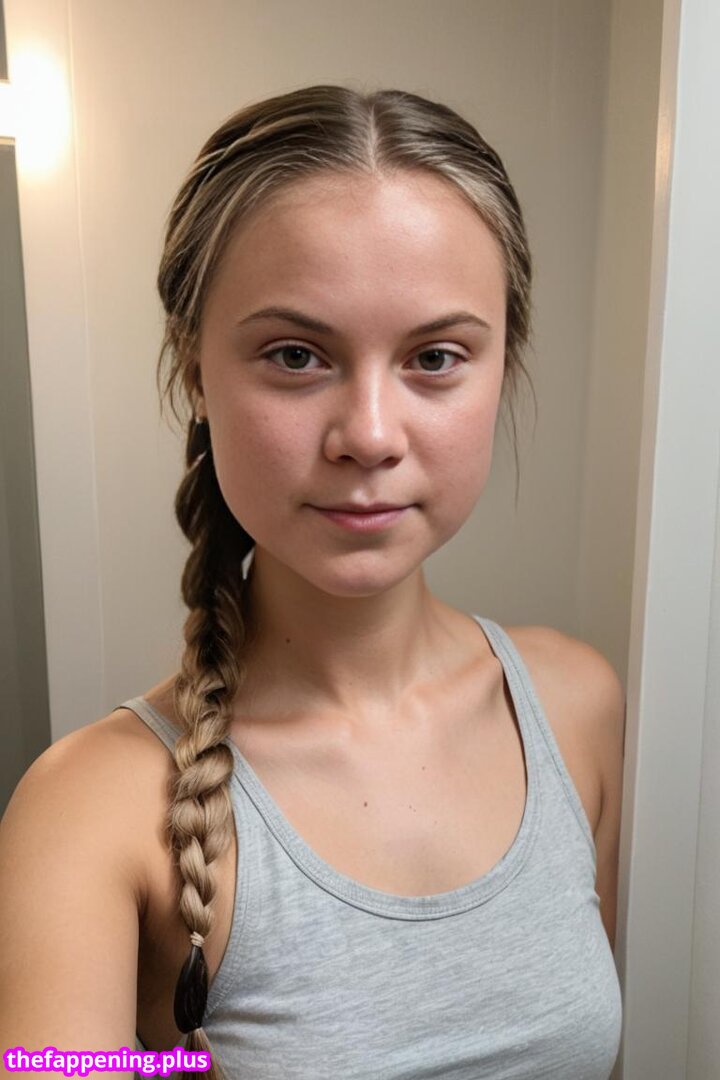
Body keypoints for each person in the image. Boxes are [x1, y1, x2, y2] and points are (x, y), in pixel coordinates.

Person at [0, 85, 625, 1080]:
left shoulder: (575, 707)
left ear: (502, 366)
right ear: (195, 369)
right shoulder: (86, 812)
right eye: (296, 355)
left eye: (435, 356)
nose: (369, 435)